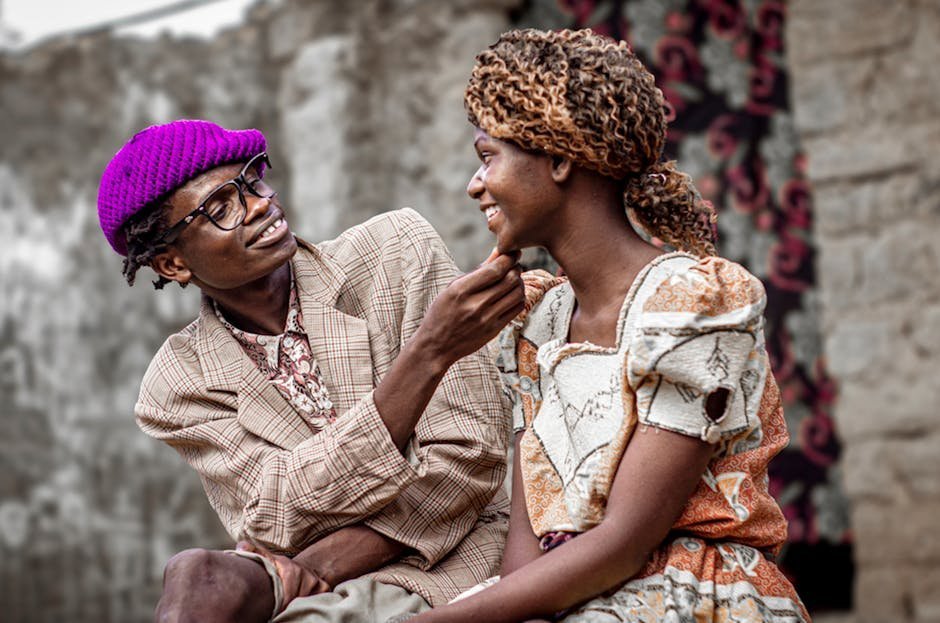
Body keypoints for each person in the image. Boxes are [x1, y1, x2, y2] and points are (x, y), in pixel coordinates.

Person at [405, 29, 810, 623]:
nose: (475, 184)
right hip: (570, 593)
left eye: (488, 157)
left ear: (559, 158)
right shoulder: (537, 322)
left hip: (693, 596)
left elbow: (624, 542)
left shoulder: (690, 308)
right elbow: (526, 547)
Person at [96, 119, 524, 622]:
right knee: (193, 582)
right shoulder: (177, 384)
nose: (261, 204)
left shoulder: (395, 251)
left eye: (253, 180)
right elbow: (273, 519)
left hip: (468, 557)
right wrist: (425, 356)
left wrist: (309, 567)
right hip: (321, 594)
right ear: (173, 265)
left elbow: (470, 458)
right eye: (221, 207)